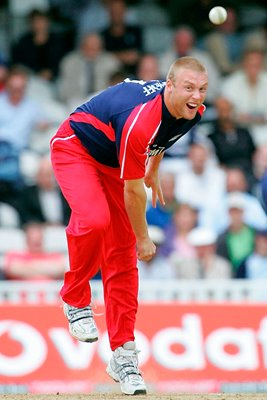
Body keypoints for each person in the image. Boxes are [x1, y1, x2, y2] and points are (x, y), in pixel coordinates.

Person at [50, 56, 208, 395]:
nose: (197, 95)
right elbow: (133, 191)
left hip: (114, 161)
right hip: (76, 147)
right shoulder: (140, 119)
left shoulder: (192, 111)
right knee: (95, 221)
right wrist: (144, 238)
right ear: (170, 85)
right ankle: (75, 298)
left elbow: (162, 136)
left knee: (121, 260)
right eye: (189, 88)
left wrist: (152, 166)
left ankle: (123, 356)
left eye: (202, 89)